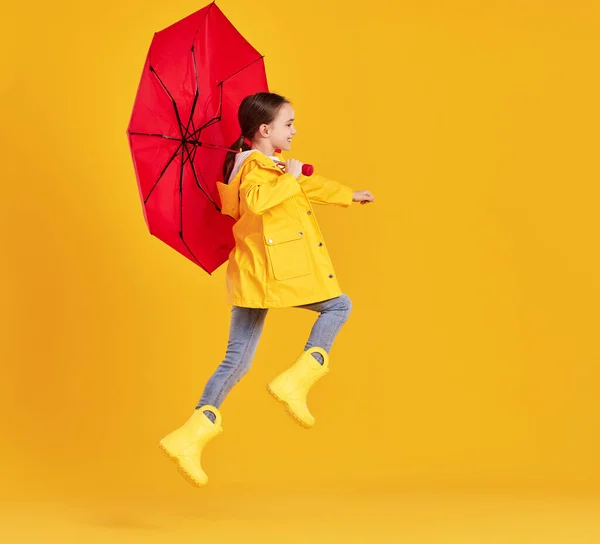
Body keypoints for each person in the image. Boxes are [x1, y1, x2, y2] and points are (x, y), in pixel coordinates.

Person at [159, 92, 375, 487]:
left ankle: (188, 436)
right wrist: (289, 177)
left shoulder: (265, 166)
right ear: (265, 129)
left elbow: (311, 186)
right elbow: (258, 202)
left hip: (253, 276)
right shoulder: (256, 168)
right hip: (270, 272)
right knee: (339, 306)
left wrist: (347, 194)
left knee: (237, 361)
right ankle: (295, 381)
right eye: (288, 124)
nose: (294, 130)